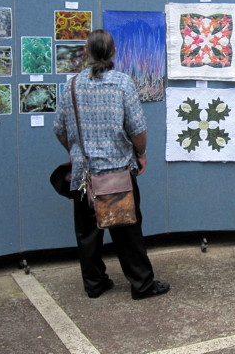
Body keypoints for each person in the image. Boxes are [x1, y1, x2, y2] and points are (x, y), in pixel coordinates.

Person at [53, 29, 170, 299]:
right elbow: (137, 129)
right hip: (117, 173)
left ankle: (95, 283)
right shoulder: (123, 83)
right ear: (114, 52)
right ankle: (142, 284)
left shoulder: (71, 85)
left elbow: (60, 129)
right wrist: (141, 153)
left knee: (87, 234)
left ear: (86, 53)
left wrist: (75, 150)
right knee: (128, 231)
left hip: (83, 175)